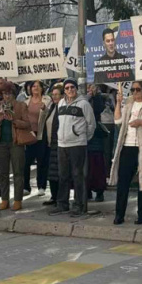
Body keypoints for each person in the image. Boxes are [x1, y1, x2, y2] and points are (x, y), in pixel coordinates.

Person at [110, 80, 142, 225]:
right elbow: (117, 120)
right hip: (127, 146)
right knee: (123, 182)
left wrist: (141, 122)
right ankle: (119, 214)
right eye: (132, 90)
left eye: (138, 89)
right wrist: (119, 103)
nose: (135, 93)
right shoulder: (129, 104)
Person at [50, 78, 96, 217]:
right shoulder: (61, 103)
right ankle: (62, 204)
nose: (70, 90)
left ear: (76, 88)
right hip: (62, 144)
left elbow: (91, 124)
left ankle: (79, 205)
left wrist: (81, 137)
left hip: (77, 144)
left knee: (78, 175)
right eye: (67, 88)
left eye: (72, 87)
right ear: (64, 90)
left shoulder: (84, 104)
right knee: (63, 175)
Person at [0, 81, 30, 211]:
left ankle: (18, 200)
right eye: (4, 94)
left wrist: (14, 120)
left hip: (16, 142)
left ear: (14, 94)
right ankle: (4, 199)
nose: (7, 96)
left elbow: (27, 124)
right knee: (3, 173)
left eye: (9, 94)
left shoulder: (20, 105)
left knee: (18, 171)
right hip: (1, 143)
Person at [24, 80, 51, 196]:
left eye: (38, 86)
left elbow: (50, 115)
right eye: (33, 86)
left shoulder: (47, 100)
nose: (35, 88)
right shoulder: (25, 102)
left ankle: (41, 186)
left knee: (42, 161)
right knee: (26, 162)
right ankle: (26, 187)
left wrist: (45, 109)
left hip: (42, 134)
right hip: (28, 134)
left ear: (41, 88)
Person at [38, 84, 63, 206]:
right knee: (51, 172)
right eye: (53, 94)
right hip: (48, 144)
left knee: (58, 172)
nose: (54, 97)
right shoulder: (52, 106)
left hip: (59, 144)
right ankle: (54, 196)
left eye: (57, 94)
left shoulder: (63, 107)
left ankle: (60, 198)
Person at [86, 84, 108, 202]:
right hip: (82, 137)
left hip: (95, 137)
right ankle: (87, 190)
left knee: (97, 165)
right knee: (86, 167)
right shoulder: (81, 97)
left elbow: (99, 110)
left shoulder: (98, 98)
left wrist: (95, 96)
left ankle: (99, 191)